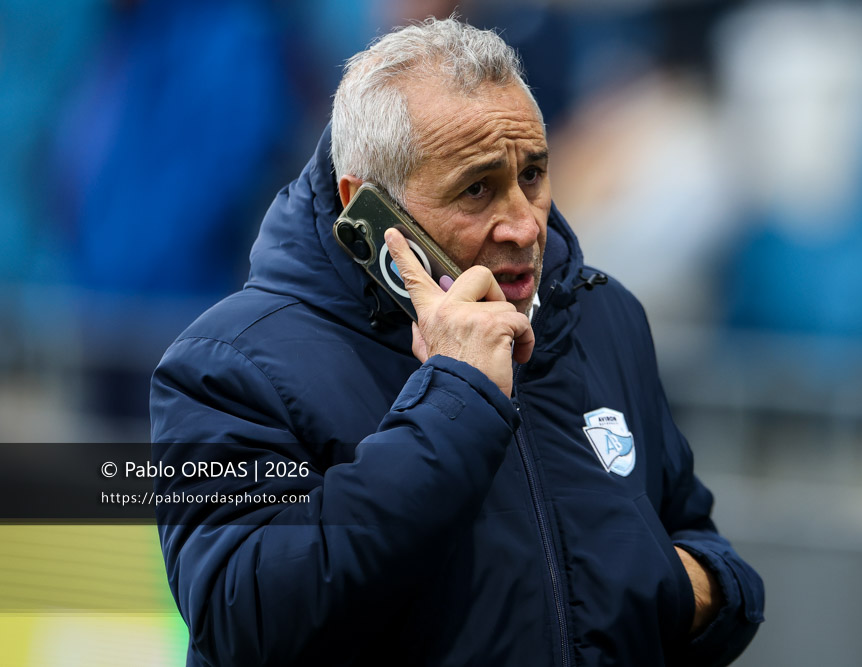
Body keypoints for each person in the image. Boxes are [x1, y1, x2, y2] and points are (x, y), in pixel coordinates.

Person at [150, 17, 764, 666]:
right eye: (477, 189)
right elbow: (242, 616)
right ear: (367, 204)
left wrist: (686, 591)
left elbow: (700, 547)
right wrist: (456, 399)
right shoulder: (227, 363)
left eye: (532, 175)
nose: (524, 224)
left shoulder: (600, 314)